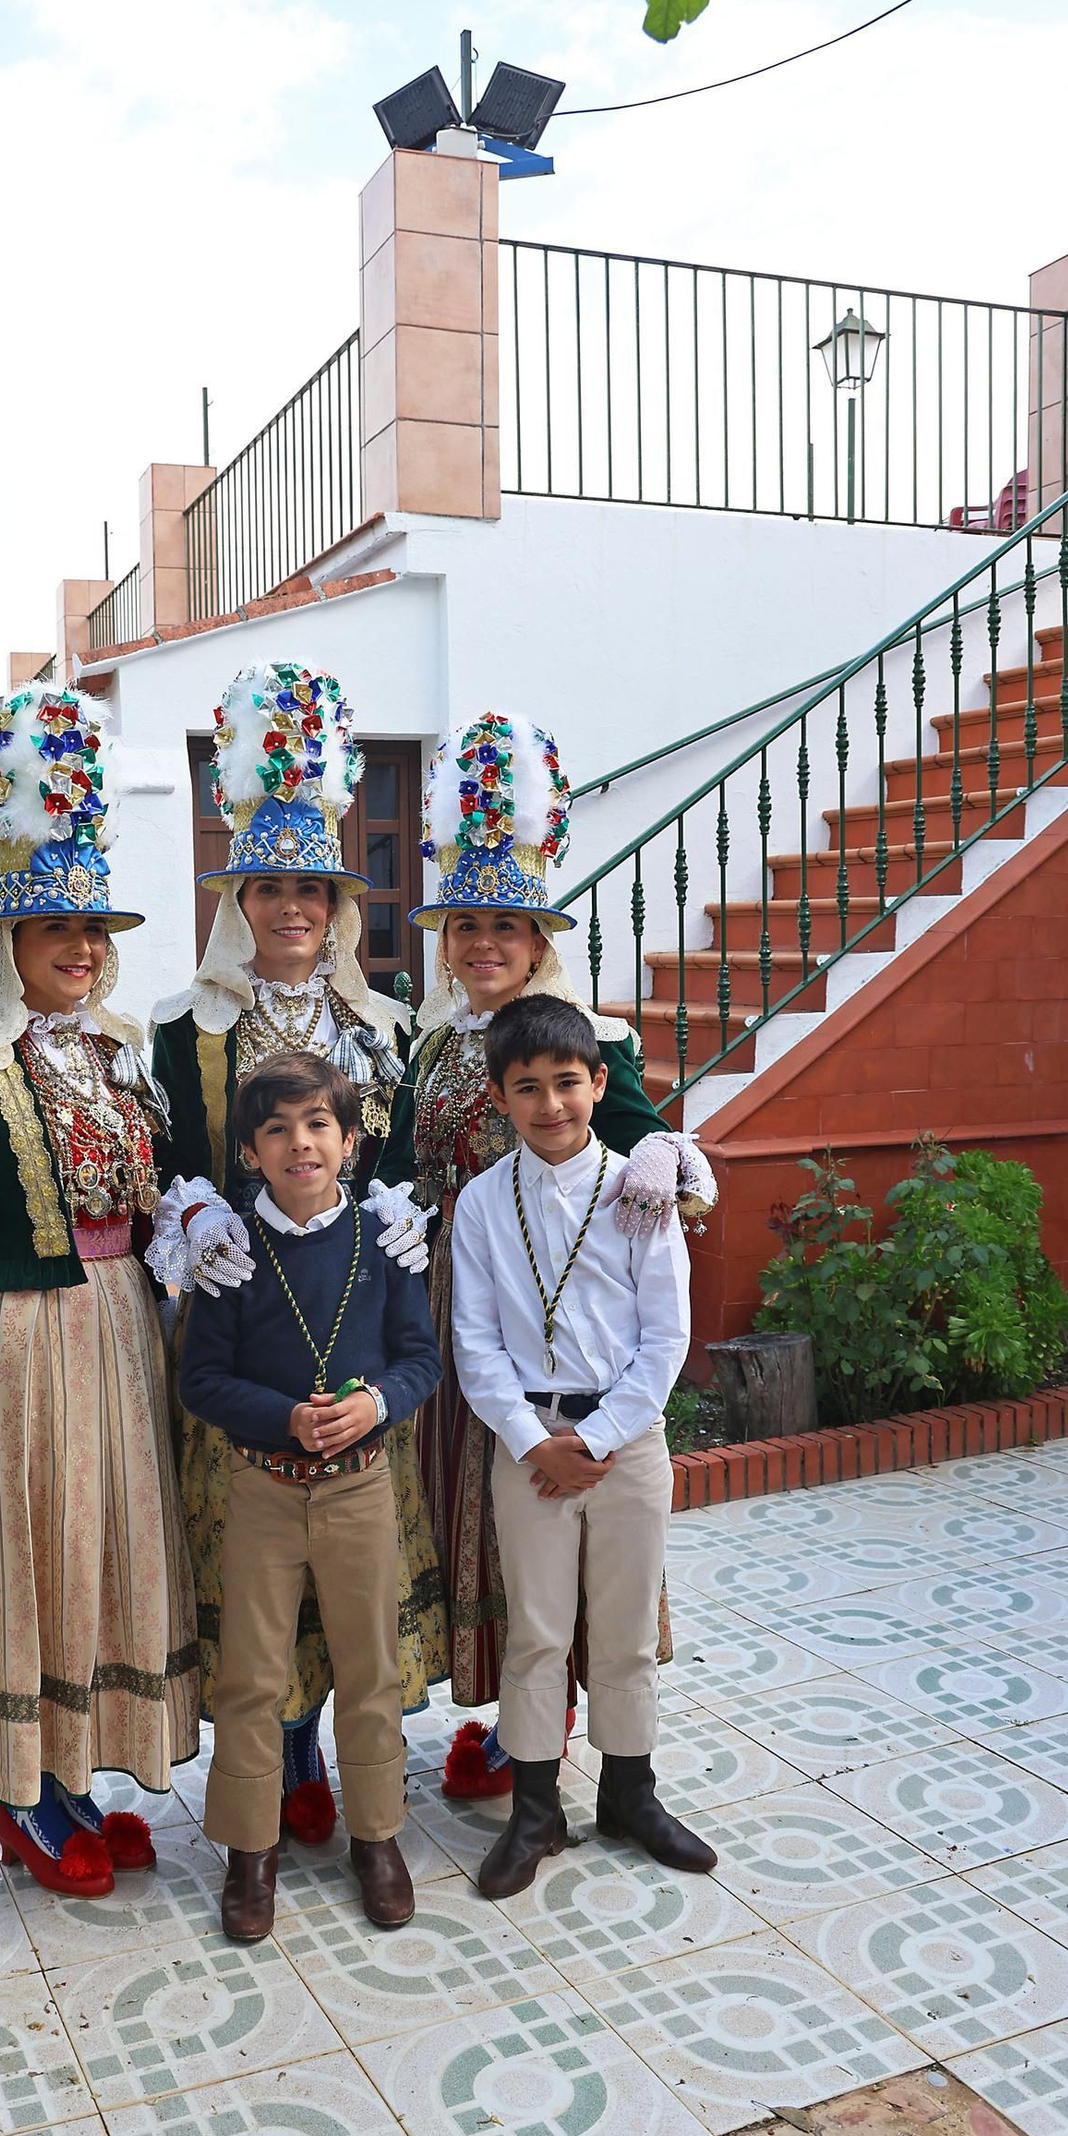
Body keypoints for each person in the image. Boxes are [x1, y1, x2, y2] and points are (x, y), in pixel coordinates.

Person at [0, 684, 198, 1898]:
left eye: (93, 932)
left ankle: (81, 1774)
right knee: (36, 1550)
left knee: (111, 1544)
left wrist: (189, 1226)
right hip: (22, 1336)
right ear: (3, 945)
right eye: (55, 932)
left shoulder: (116, 1048)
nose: (81, 949)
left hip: (124, 1325)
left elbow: (155, 1183)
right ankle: (28, 1795)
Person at [376, 712, 715, 1800]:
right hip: (466, 1326)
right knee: (495, 1536)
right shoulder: (427, 1046)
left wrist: (665, 1151)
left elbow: (659, 1147)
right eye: (464, 923)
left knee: (584, 1546)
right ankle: (518, 1725)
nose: (483, 943)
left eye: (506, 926)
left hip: (576, 1329)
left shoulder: (580, 1043)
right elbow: (393, 1167)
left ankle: (588, 1735)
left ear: (538, 940)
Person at [147, 661, 444, 1848]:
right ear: (240, 901)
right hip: (242, 1316)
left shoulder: (384, 1024)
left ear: (337, 907)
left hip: (358, 1311)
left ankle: (350, 1773)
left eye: (311, 892)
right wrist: (191, 1213)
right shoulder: (188, 1024)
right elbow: (166, 1150)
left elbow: (409, 1152)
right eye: (268, 889)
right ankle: (279, 1769)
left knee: (357, 1557)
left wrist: (407, 1211)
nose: (291, 910)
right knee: (255, 1562)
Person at [451, 994, 718, 1894]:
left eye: (567, 1083)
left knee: (626, 1626)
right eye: (527, 1088)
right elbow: (476, 1344)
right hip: (527, 1440)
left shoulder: (638, 1191)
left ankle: (630, 1796)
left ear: (600, 1084)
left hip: (628, 1441)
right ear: (500, 1097)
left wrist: (599, 1437)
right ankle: (534, 1812)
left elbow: (666, 1335)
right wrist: (534, 1441)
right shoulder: (483, 1203)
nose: (550, 1104)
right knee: (535, 1630)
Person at [179, 1052, 442, 1940]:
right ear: (250, 1152)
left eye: (318, 1125)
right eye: (278, 1130)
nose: (301, 1144)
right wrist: (282, 1416)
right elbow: (203, 1381)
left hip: (360, 1488)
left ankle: (378, 1837)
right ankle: (250, 1852)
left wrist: (374, 1404)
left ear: (352, 1141)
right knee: (252, 1675)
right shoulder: (228, 1251)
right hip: (263, 1488)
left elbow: (421, 1360)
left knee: (370, 1666)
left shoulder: (384, 1241)